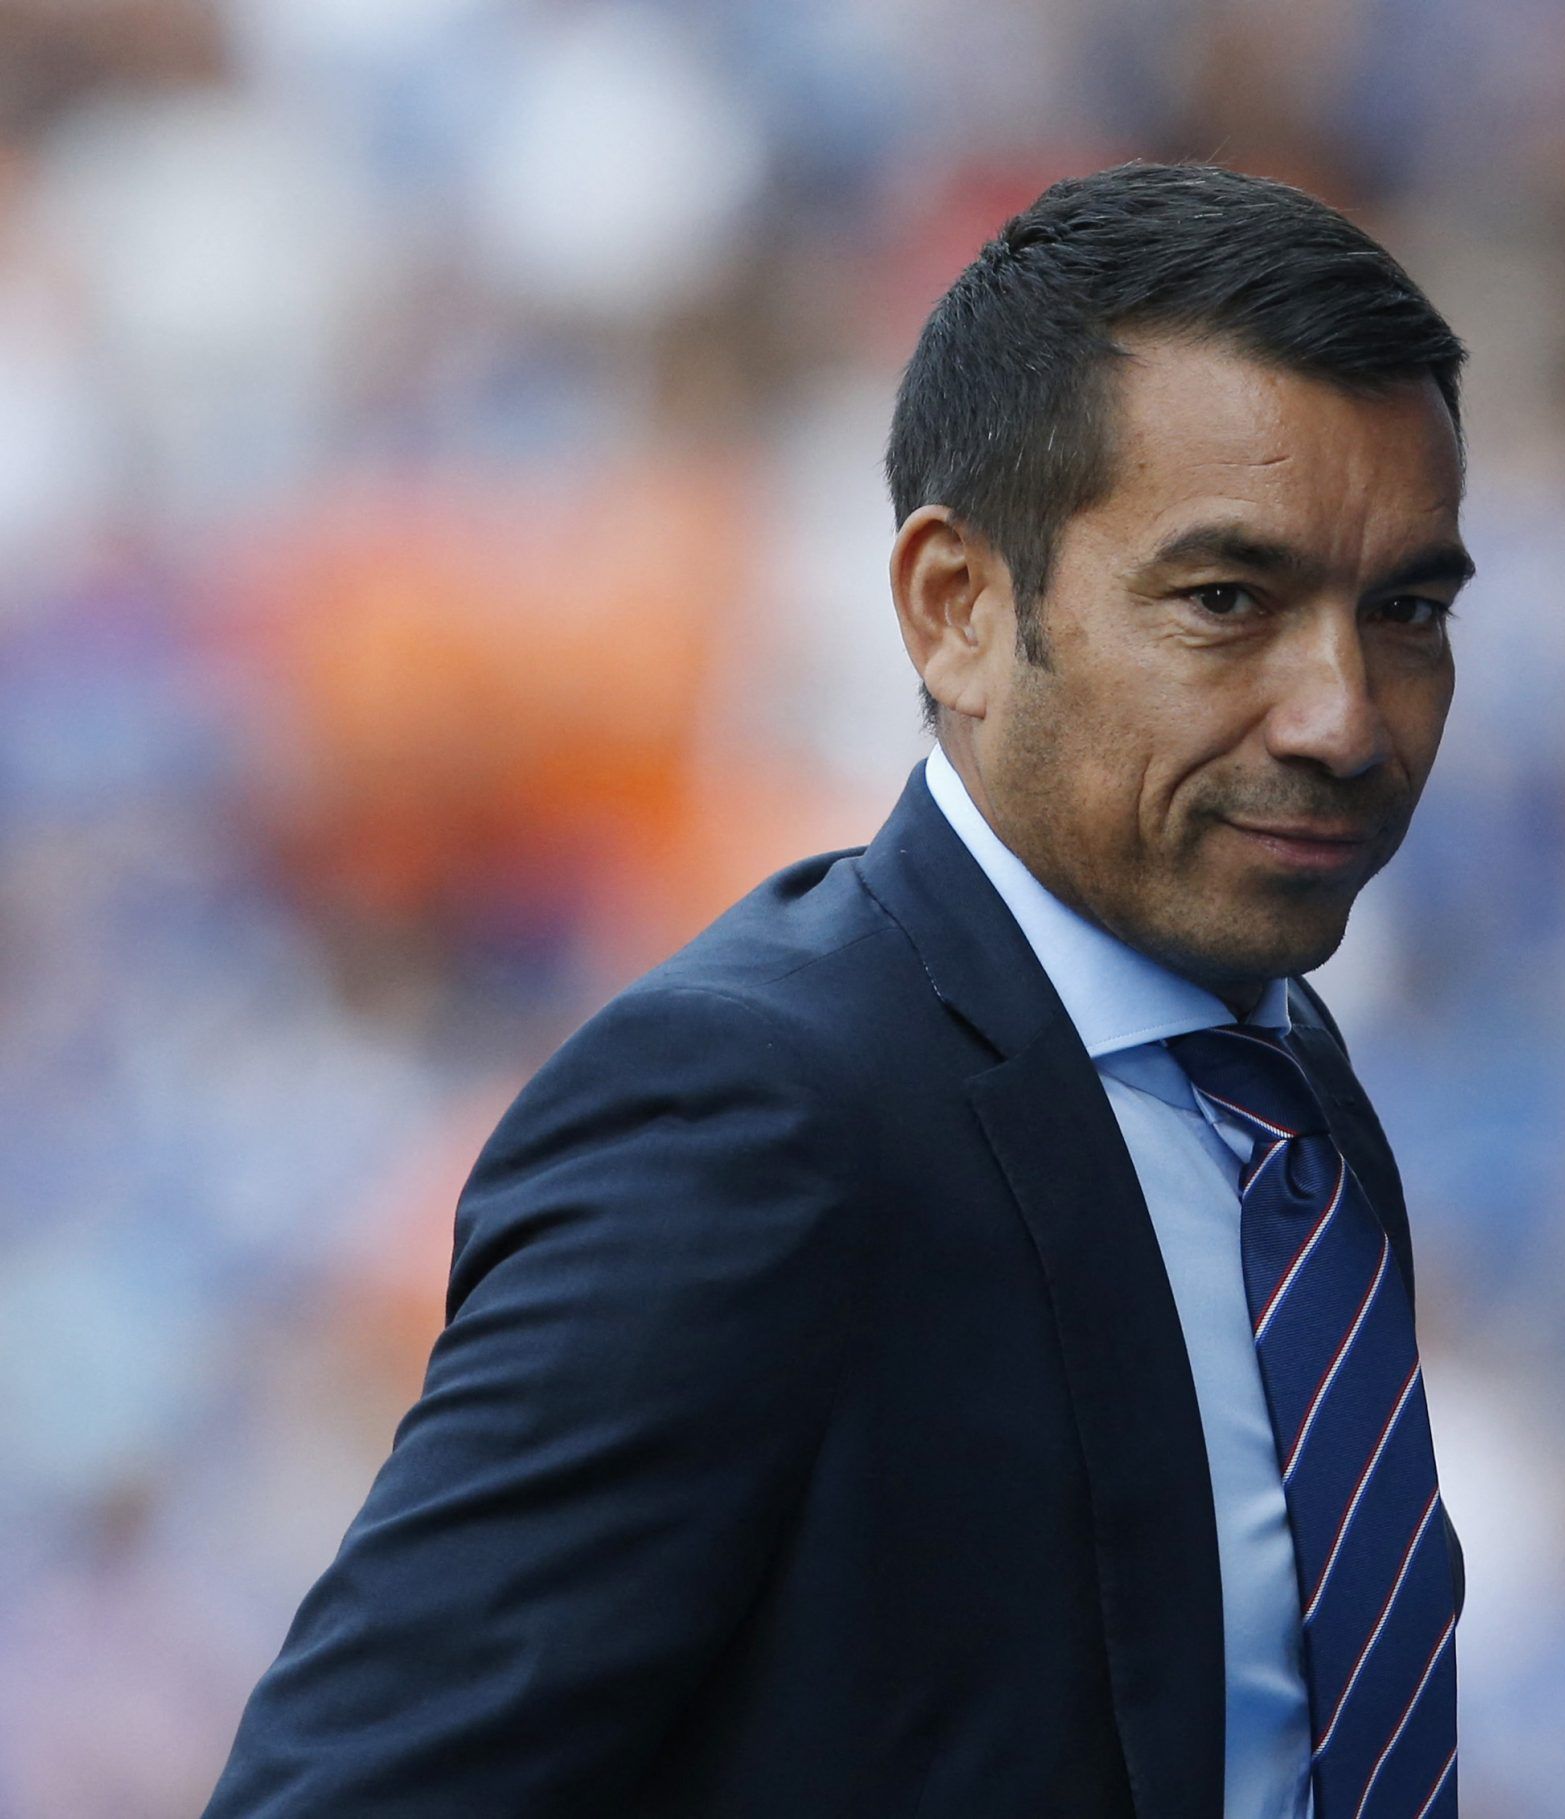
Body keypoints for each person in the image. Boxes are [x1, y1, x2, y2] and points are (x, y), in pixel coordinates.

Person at [204, 162, 1473, 1819]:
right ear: (955, 608)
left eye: (1409, 610)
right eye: (1227, 601)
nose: (1344, 715)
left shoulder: (1278, 1094)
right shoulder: (752, 1115)